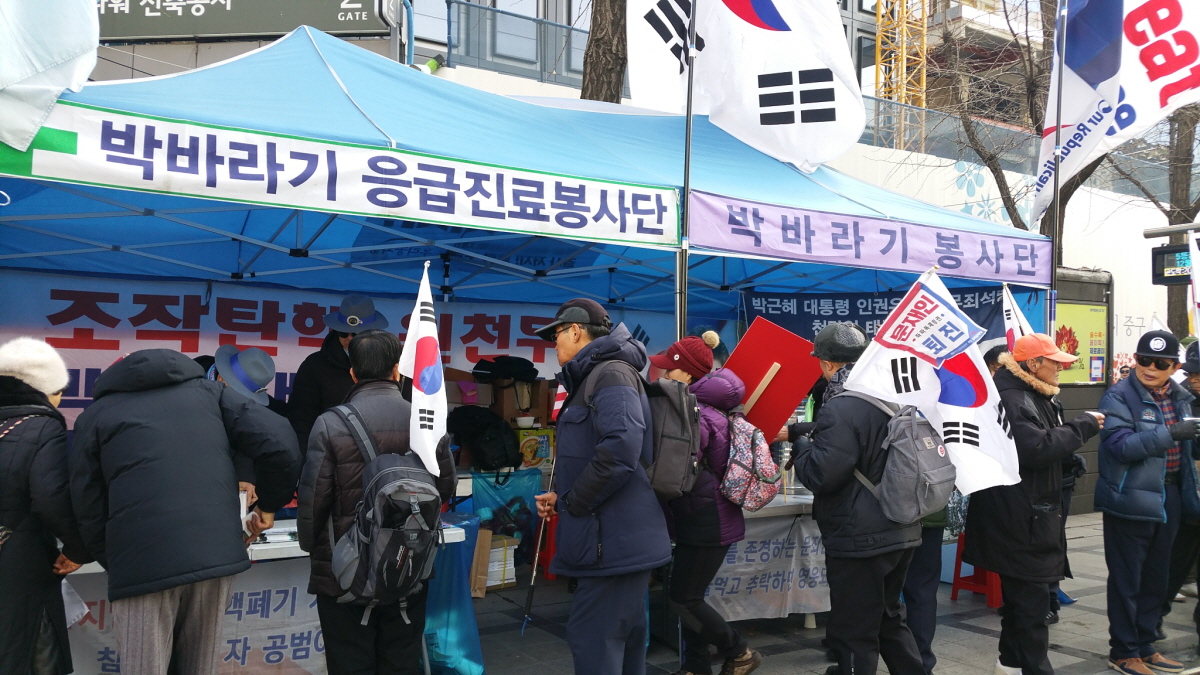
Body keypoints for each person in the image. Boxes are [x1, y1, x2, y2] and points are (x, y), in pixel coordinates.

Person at [69, 349, 300, 675]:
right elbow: (281, 441)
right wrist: (269, 506)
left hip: (141, 561)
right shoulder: (213, 395)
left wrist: (114, 559)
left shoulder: (95, 416)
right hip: (214, 554)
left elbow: (85, 502)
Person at [297, 329, 456, 675]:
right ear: (397, 370)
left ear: (353, 373)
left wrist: (313, 548)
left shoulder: (330, 424)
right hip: (408, 564)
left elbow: (313, 502)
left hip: (345, 571)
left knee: (349, 662)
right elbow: (445, 488)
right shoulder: (427, 421)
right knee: (401, 661)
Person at [533, 299, 673, 675]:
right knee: (618, 644)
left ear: (576, 331)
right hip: (612, 539)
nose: (554, 343)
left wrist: (574, 501)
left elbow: (620, 451)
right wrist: (562, 498)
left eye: (556, 335)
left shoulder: (610, 374)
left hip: (613, 543)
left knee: (595, 642)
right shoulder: (598, 374)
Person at [964, 334, 1102, 675]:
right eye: (1055, 362)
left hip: (1026, 515)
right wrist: (1082, 427)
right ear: (1033, 364)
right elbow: (1035, 449)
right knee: (1031, 607)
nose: (1061, 368)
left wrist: (1068, 460)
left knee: (1022, 604)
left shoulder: (1032, 393)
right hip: (1019, 518)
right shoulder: (1014, 398)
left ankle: (1009, 664)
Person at [792, 322, 924, 675]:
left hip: (860, 536)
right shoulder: (891, 393)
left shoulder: (841, 406)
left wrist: (802, 447)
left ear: (827, 364)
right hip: (901, 524)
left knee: (855, 630)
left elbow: (823, 474)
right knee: (889, 617)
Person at [653, 333, 762, 675]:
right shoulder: (711, 407)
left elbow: (677, 467)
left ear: (686, 373)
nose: (663, 375)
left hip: (705, 517)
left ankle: (739, 651)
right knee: (691, 596)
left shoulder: (695, 413)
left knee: (683, 598)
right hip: (706, 513)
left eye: (669, 369)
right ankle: (696, 667)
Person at [1098, 329, 1200, 675]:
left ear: (1174, 367)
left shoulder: (1181, 397)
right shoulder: (1118, 395)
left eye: (1160, 363)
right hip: (1129, 498)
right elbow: (1120, 446)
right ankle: (1123, 651)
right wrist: (1170, 433)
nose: (1150, 368)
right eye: (1144, 360)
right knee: (1127, 580)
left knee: (1157, 577)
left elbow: (1187, 451)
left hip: (1171, 495)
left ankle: (1145, 645)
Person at [0, 338, 92, 675]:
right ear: (47, 389)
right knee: (25, 651)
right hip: (18, 562)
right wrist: (78, 548)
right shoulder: (42, 426)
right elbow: (50, 496)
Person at [289, 294, 389, 446]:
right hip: (330, 451)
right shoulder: (314, 365)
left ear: (373, 332)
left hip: (382, 451)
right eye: (343, 332)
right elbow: (301, 418)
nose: (349, 338)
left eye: (356, 333)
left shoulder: (391, 365)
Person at [212, 344, 291, 508]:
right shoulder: (188, 384)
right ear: (221, 378)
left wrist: (245, 476)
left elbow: (244, 439)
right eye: (239, 392)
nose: (241, 401)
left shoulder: (261, 411)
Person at [1160, 341, 1200, 642]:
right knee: (1174, 566)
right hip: (1188, 497)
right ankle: (1151, 622)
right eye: (1191, 373)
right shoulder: (1182, 399)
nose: (1194, 379)